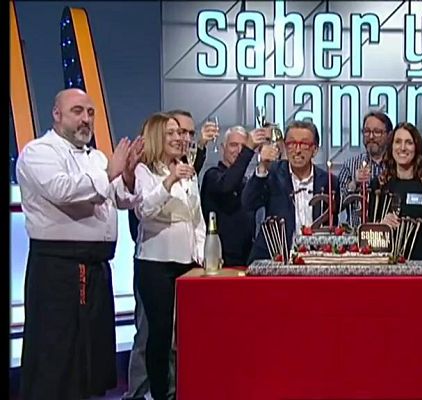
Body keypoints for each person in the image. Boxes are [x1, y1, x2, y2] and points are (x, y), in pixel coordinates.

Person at [16, 88, 143, 399]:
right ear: (56, 114)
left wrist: (126, 176)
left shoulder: (96, 157)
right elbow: (63, 191)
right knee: (58, 357)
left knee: (91, 360)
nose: (86, 119)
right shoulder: (38, 152)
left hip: (96, 268)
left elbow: (121, 199)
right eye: (77, 111)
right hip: (59, 270)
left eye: (90, 112)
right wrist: (110, 172)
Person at [133, 112, 206, 400]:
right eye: (172, 133)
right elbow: (144, 211)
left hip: (187, 262)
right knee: (161, 333)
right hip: (156, 262)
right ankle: (159, 393)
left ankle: (185, 390)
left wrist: (202, 253)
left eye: (181, 133)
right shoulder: (143, 170)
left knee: (187, 333)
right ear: (156, 137)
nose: (180, 138)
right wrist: (170, 181)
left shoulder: (188, 169)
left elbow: (196, 218)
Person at [242, 120, 340, 262]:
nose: (297, 150)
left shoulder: (329, 182)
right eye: (292, 143)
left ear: (315, 149)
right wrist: (262, 167)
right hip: (275, 258)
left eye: (304, 144)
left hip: (316, 260)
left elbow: (332, 225)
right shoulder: (272, 174)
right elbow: (248, 203)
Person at [373, 122, 422, 264]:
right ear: (391, 147)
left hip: (420, 266)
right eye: (398, 142)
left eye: (409, 143)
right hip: (384, 265)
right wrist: (381, 226)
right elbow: (367, 235)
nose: (403, 148)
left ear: (416, 147)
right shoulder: (379, 185)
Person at [200, 125, 269, 266]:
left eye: (243, 146)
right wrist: (248, 150)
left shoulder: (246, 183)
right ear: (222, 148)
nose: (238, 151)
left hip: (246, 261)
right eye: (233, 145)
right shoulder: (212, 176)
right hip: (219, 260)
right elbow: (227, 185)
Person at [338, 110, 392, 226]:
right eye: (367, 131)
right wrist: (353, 184)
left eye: (377, 132)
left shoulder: (396, 166)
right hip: (356, 234)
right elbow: (336, 205)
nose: (371, 137)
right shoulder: (350, 165)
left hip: (389, 233)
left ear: (389, 135)